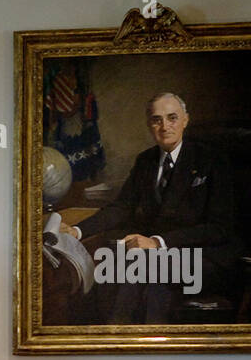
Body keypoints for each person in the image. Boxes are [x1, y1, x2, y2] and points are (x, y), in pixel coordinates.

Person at [58, 92, 240, 324]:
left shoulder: (212, 160)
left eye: (172, 118)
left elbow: (219, 228)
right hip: (159, 259)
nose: (165, 126)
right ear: (149, 125)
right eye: (157, 120)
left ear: (185, 120)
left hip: (206, 257)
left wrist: (157, 242)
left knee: (140, 272)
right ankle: (116, 340)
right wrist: (77, 231)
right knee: (119, 272)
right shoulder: (146, 161)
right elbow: (121, 208)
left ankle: (118, 339)